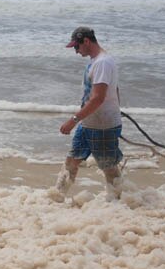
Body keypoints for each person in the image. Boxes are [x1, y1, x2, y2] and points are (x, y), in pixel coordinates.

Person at [52, 26, 123, 200]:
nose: (76, 51)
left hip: (103, 125)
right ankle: (56, 198)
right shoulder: (95, 61)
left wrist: (73, 120)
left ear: (86, 41)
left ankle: (121, 202)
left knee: (108, 167)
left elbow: (97, 98)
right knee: (72, 160)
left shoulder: (102, 63)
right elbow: (115, 90)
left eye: (77, 46)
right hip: (89, 122)